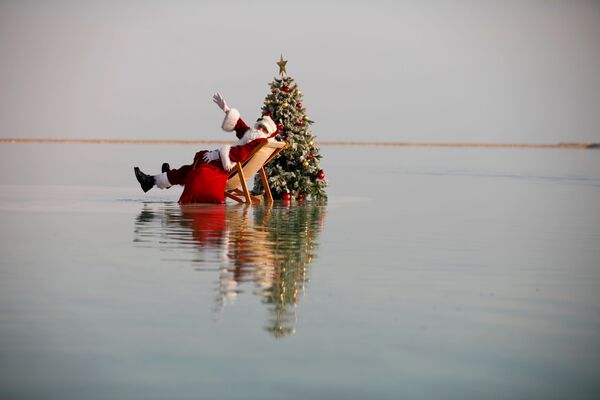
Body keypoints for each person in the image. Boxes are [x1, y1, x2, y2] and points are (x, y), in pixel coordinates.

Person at [134, 93, 278, 204]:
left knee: (194, 167)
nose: (259, 129)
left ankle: (157, 180)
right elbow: (242, 129)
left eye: (263, 128)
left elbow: (240, 153)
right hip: (230, 165)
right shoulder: (255, 138)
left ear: (268, 133)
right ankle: (156, 180)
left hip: (227, 168)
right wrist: (227, 110)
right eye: (259, 125)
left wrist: (216, 154)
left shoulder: (259, 141)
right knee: (189, 169)